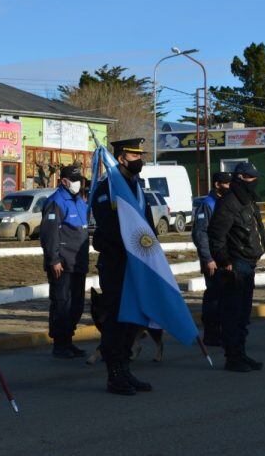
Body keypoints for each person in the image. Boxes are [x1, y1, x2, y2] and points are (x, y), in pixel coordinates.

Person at [91, 138, 154, 396]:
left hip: (136, 263)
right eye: (133, 155)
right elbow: (109, 228)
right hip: (116, 263)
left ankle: (126, 367)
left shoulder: (136, 187)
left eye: (140, 155)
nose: (139, 159)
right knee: (117, 319)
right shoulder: (108, 188)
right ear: (120, 159)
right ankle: (114, 374)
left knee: (133, 320)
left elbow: (146, 225)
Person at [207, 162, 265, 373]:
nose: (255, 181)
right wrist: (225, 262)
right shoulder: (229, 202)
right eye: (251, 178)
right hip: (236, 264)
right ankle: (232, 357)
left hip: (249, 262)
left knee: (243, 314)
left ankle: (241, 353)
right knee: (233, 314)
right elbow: (216, 235)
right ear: (240, 178)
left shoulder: (248, 200)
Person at [40, 165, 90, 358]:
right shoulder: (56, 202)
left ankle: (68, 340)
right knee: (62, 304)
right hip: (62, 264)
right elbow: (49, 234)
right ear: (63, 181)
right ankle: (59, 344)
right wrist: (54, 260)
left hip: (78, 262)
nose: (78, 183)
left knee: (76, 305)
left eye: (79, 179)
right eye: (74, 179)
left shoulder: (80, 201)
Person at [191, 171, 232, 346]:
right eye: (226, 184)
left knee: (224, 297)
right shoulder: (208, 204)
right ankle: (211, 334)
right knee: (213, 298)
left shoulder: (224, 203)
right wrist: (208, 259)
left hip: (224, 258)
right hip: (212, 260)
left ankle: (221, 332)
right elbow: (200, 234)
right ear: (217, 185)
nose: (229, 187)